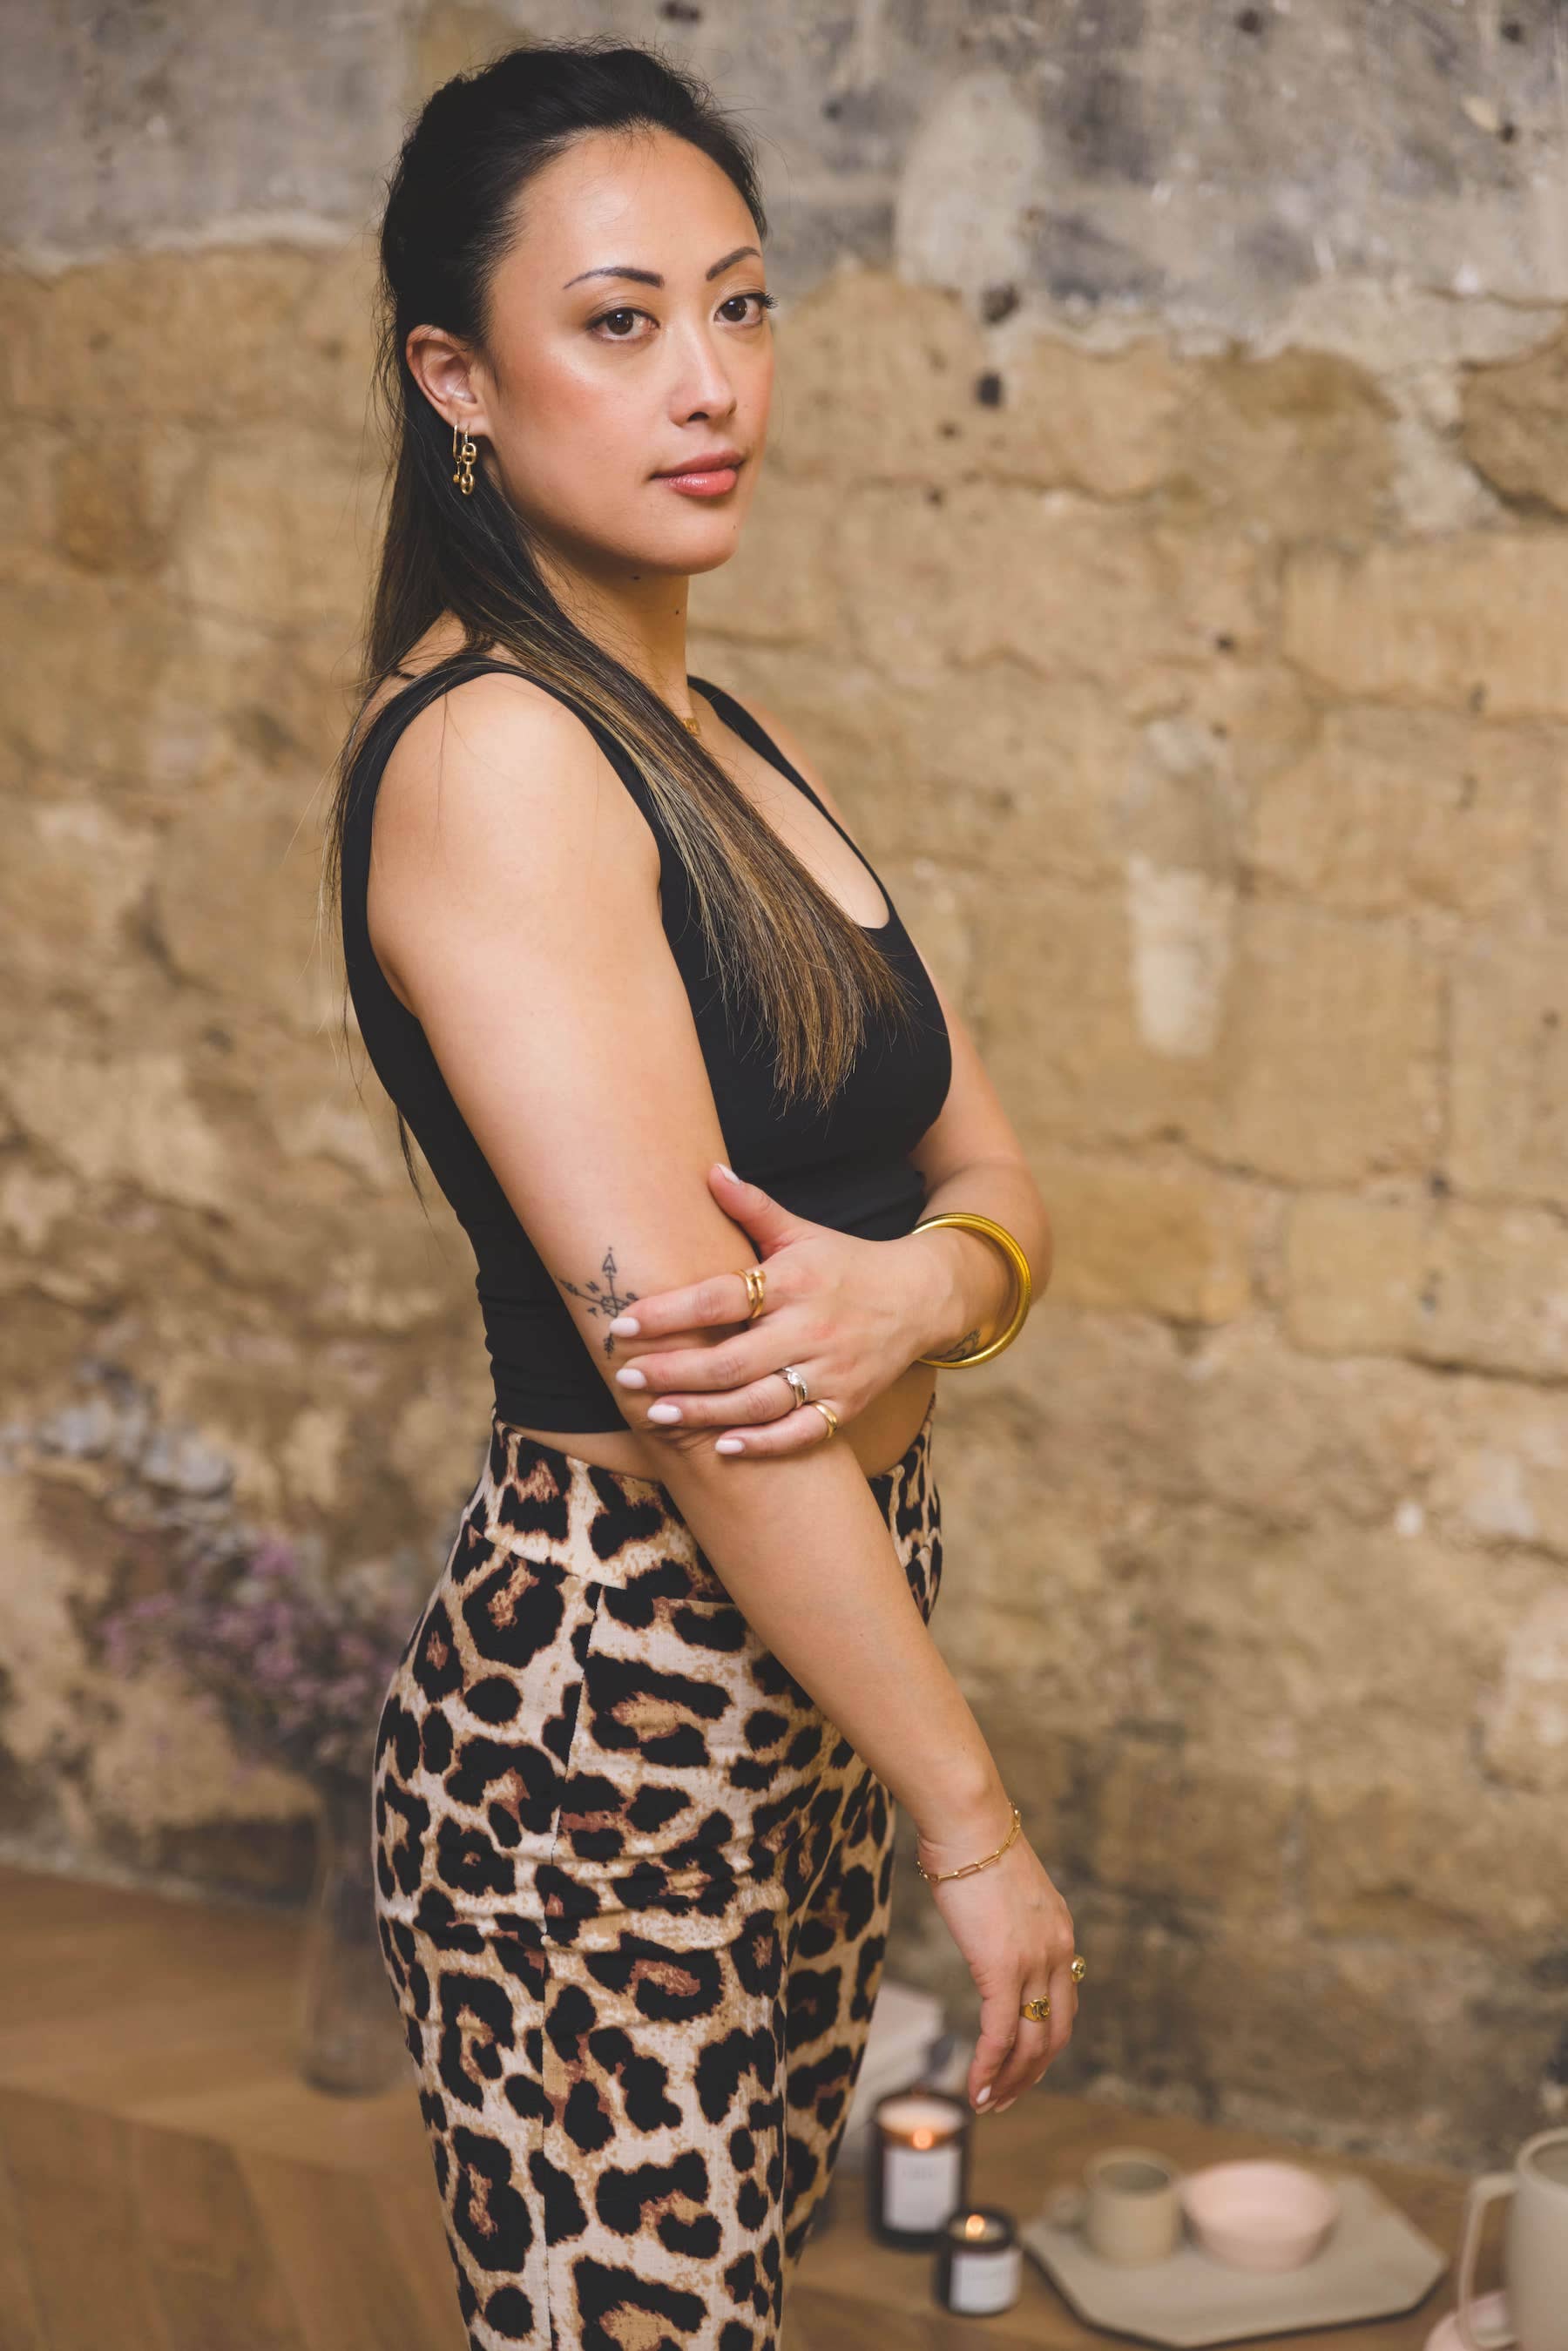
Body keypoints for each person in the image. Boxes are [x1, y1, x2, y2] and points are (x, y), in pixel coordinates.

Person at [321, 34, 1079, 2351]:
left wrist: (924, 1296)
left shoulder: (728, 737)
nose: (709, 380)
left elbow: (992, 1176)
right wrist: (972, 1813)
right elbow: (708, 1396)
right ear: (455, 379)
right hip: (610, 1702)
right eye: (620, 321)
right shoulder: (500, 759)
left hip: (807, 1670)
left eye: (741, 306)